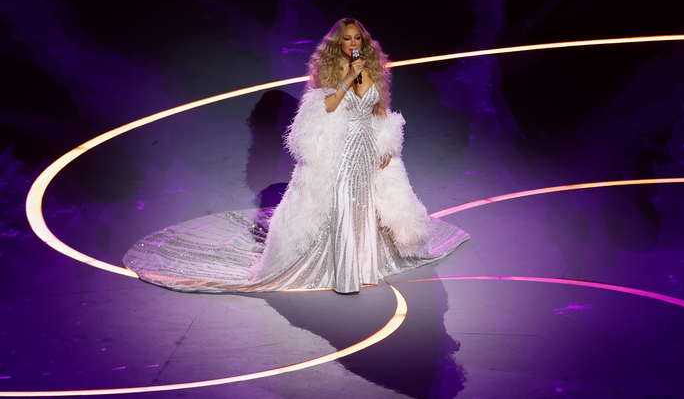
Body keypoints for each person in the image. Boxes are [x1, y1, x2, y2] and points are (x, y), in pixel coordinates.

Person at [123, 18, 468, 294]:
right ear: (337, 44)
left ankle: (366, 263)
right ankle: (343, 270)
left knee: (364, 204)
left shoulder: (371, 70)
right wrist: (348, 78)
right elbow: (326, 107)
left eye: (357, 39)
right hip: (342, 149)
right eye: (347, 39)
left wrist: (387, 147)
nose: (353, 44)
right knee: (343, 202)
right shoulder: (333, 71)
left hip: (367, 148)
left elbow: (379, 111)